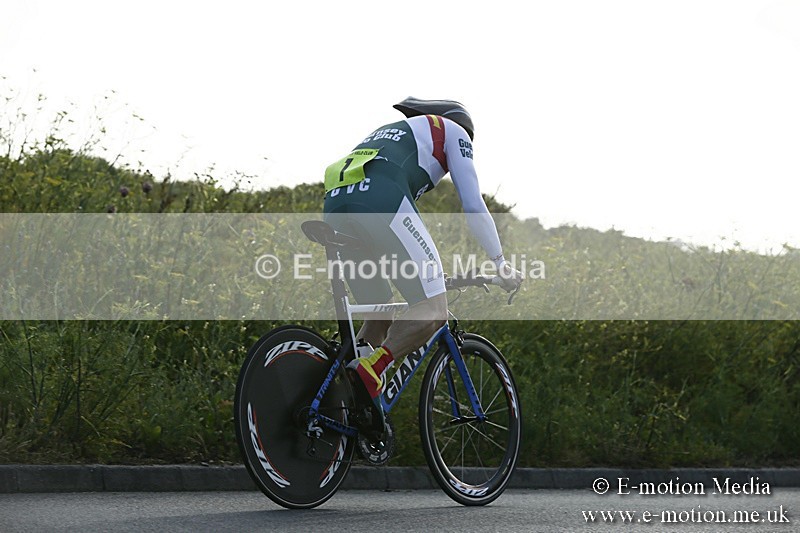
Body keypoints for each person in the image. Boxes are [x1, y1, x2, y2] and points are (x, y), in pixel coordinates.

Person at [322, 97, 523, 418]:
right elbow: (473, 204)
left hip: (335, 203)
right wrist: (500, 263)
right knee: (434, 310)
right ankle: (373, 369)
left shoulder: (394, 132)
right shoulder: (453, 130)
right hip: (380, 198)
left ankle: (336, 402)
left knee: (378, 317)